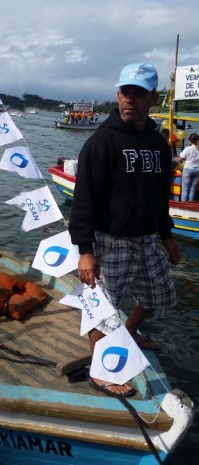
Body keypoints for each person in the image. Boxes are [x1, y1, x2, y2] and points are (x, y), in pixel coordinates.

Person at [68, 63, 181, 398]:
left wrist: (167, 234)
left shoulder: (159, 145)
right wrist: (85, 249)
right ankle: (100, 371)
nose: (129, 99)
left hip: (147, 239)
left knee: (157, 295)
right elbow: (84, 199)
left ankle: (129, 332)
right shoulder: (102, 141)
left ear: (153, 97)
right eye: (124, 91)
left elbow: (160, 196)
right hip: (109, 241)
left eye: (137, 92)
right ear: (117, 94)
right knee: (103, 311)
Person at [179, 133, 199, 201]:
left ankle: (183, 205)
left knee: (185, 188)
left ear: (190, 141)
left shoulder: (188, 148)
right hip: (197, 170)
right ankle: (190, 204)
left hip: (188, 169)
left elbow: (180, 159)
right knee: (192, 188)